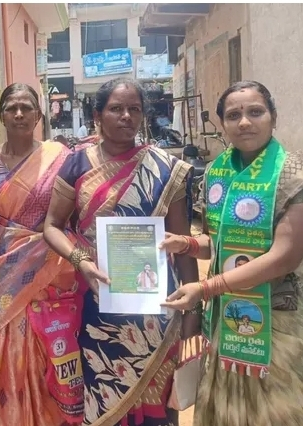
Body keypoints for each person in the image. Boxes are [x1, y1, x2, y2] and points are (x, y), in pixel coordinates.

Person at [43, 77, 199, 425]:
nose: (126, 116)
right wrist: (81, 262)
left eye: (134, 109)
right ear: (97, 115)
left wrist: (193, 308)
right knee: (103, 396)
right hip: (97, 299)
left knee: (158, 402)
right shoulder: (77, 163)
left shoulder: (165, 168)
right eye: (116, 108)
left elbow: (182, 240)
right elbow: (51, 225)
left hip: (156, 306)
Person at [159, 80, 303, 426]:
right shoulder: (217, 173)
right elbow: (219, 243)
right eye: (234, 115)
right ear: (222, 123)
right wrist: (187, 244)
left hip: (276, 319)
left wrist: (206, 288)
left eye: (256, 112)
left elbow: (285, 256)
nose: (244, 122)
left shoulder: (292, 174)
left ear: (273, 117)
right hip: (226, 319)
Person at [0, 83, 84, 426]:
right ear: (1, 115)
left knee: (50, 343)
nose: (19, 114)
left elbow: (73, 213)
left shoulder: (60, 156)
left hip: (51, 268)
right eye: (11, 107)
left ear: (38, 115)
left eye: (26, 107)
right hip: (5, 272)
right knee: (10, 343)